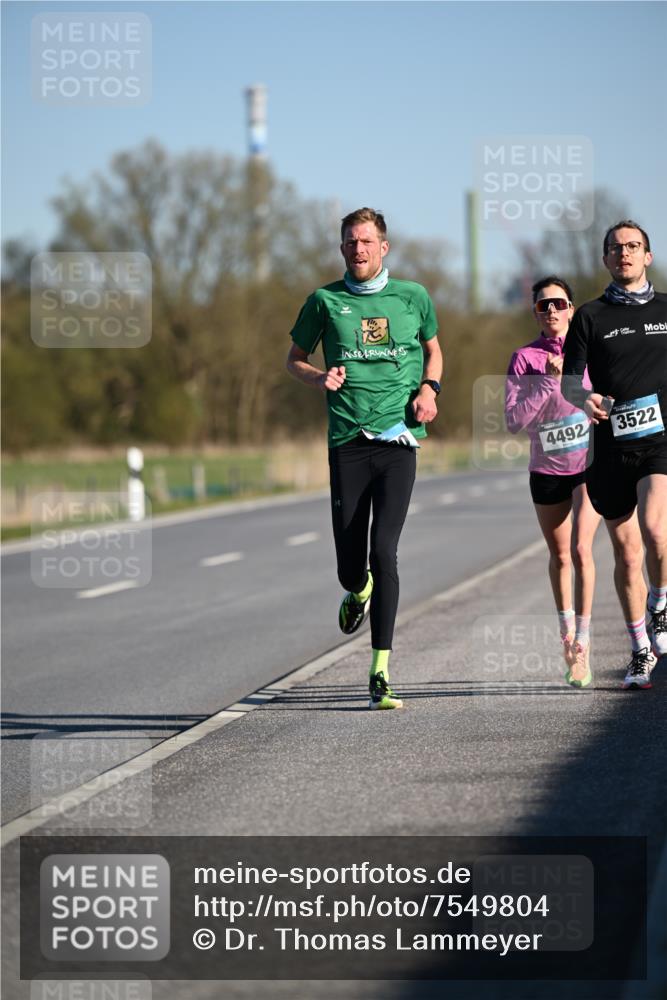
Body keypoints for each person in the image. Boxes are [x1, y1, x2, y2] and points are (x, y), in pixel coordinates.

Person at [286, 207, 443, 709]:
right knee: (351, 566)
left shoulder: (413, 297)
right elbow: (293, 359)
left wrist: (429, 389)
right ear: (342, 249)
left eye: (367, 241)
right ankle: (357, 591)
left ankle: (380, 671)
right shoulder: (324, 301)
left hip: (399, 440)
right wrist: (318, 378)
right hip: (348, 441)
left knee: (385, 549)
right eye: (351, 242)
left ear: (384, 247)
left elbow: (434, 351)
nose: (359, 249)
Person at [562, 220, 667, 689]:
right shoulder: (589, 316)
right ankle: (640, 650)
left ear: (647, 256)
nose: (623, 253)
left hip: (659, 442)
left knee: (656, 531)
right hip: (610, 447)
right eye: (615, 248)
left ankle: (661, 603)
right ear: (605, 259)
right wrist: (585, 400)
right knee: (627, 557)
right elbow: (569, 381)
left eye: (633, 247)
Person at [505, 277, 601, 687]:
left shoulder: (591, 350)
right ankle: (566, 638)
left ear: (572, 310)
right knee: (560, 556)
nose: (551, 312)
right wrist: (547, 380)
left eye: (558, 304)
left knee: (582, 549)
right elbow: (514, 421)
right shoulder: (524, 358)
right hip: (546, 470)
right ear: (535, 314)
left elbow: (608, 400)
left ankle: (583, 643)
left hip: (589, 464)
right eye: (543, 306)